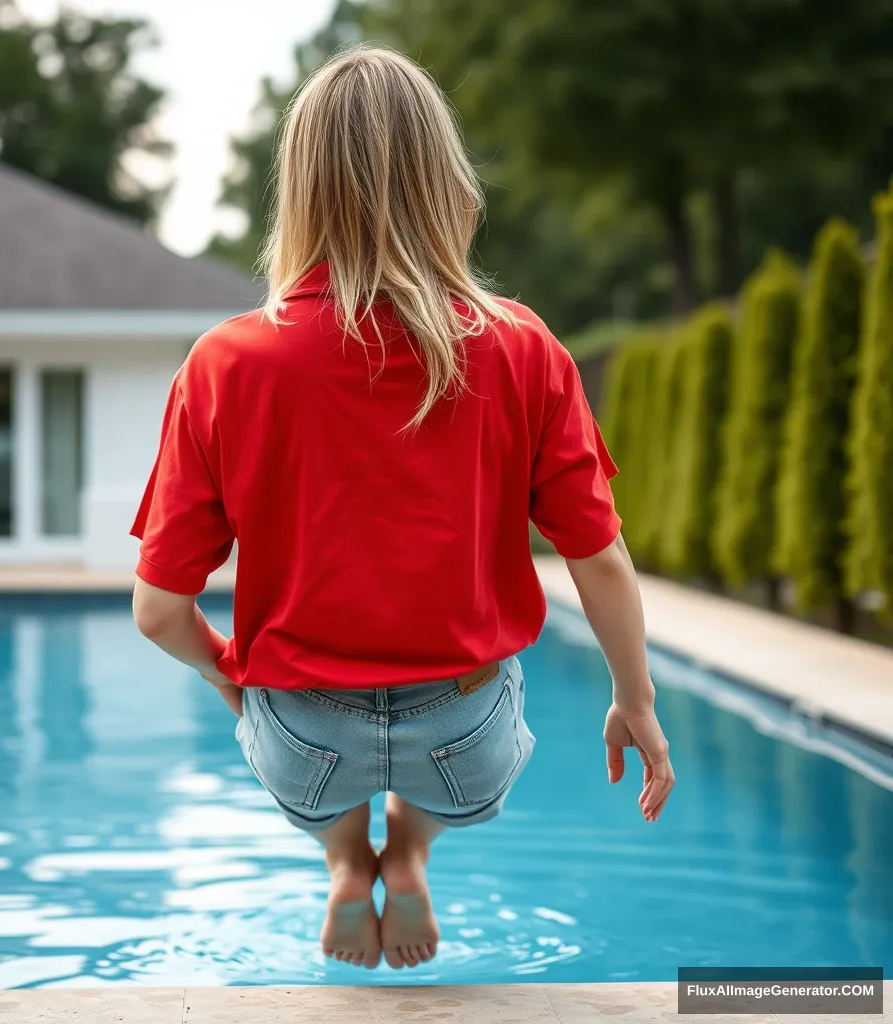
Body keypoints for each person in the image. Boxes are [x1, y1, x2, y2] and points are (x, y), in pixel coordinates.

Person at [130, 45, 674, 973]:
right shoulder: (522, 348)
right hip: (462, 733)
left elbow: (159, 612)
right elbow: (600, 560)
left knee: (314, 755)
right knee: (463, 739)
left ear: (299, 193)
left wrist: (234, 678)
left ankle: (347, 864)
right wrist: (636, 701)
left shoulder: (227, 363)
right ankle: (412, 851)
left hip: (307, 737)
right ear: (446, 184)